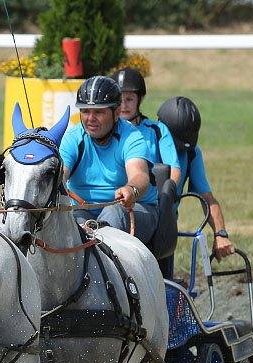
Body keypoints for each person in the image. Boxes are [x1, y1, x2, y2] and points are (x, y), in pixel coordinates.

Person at [60, 76, 159, 244]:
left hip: (134, 210)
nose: (90, 118)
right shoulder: (73, 138)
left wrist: (131, 190)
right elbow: (60, 174)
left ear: (117, 113)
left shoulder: (132, 137)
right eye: (85, 111)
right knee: (65, 221)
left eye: (98, 112)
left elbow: (140, 175)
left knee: (113, 213)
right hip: (83, 212)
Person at [157, 96, 235, 259]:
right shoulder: (143, 144)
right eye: (175, 142)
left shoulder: (191, 153)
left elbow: (207, 198)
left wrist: (220, 234)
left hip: (166, 228)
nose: (177, 148)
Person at [110, 67, 182, 187]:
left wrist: (167, 194)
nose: (123, 105)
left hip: (149, 200)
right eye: (119, 100)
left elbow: (174, 169)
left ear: (141, 99)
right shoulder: (105, 131)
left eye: (129, 99)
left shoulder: (158, 130)